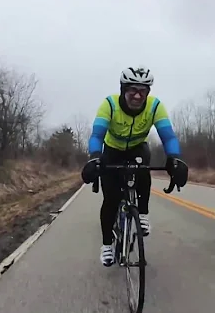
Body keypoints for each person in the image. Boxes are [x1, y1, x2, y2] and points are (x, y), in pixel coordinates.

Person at [80, 66, 189, 267]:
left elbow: (168, 136)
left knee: (143, 172)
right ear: (123, 89)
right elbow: (97, 136)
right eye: (133, 90)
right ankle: (106, 245)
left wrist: (175, 158)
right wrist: (95, 157)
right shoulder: (110, 104)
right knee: (111, 199)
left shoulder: (155, 106)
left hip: (137, 149)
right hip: (112, 150)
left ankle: (143, 214)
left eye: (143, 91)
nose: (138, 96)